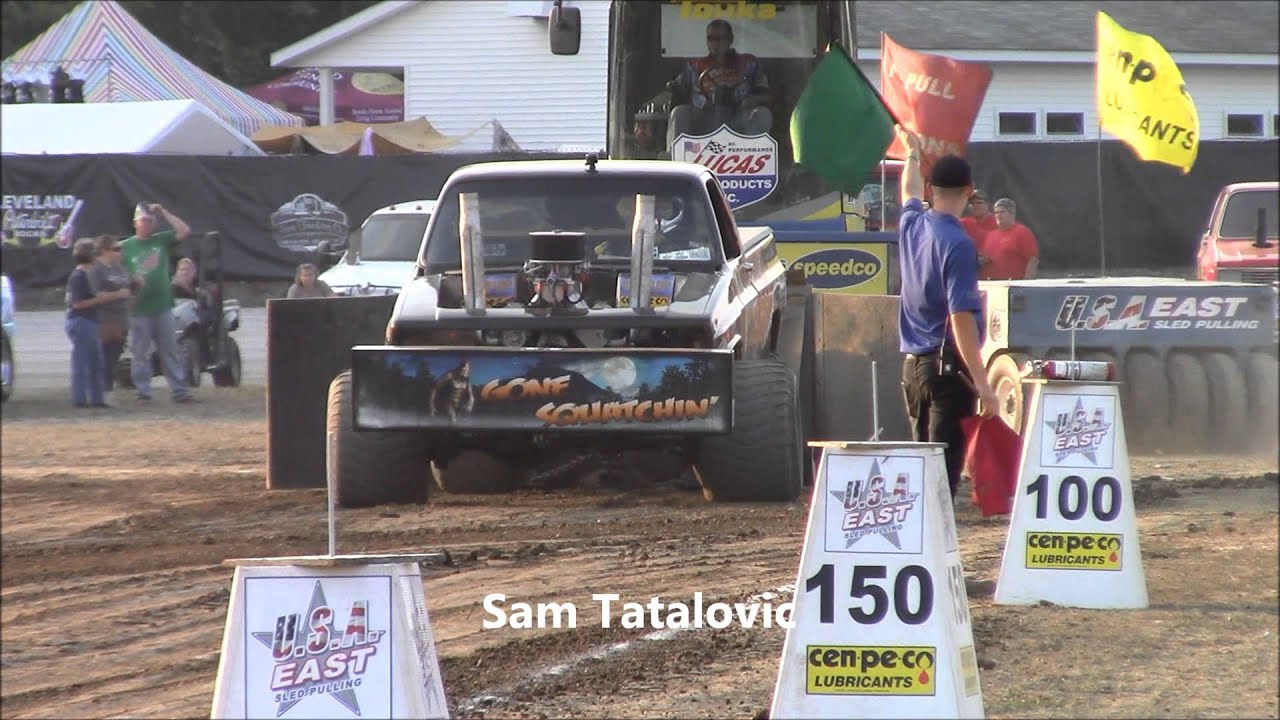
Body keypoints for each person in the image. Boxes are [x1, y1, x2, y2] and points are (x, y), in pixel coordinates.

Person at [895, 126, 998, 504]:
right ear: (969, 193)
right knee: (941, 480)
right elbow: (961, 319)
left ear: (930, 191)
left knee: (922, 473)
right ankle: (935, 557)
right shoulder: (957, 244)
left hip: (913, 368)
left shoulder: (911, 223)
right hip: (947, 370)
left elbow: (907, 190)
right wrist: (984, 383)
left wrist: (911, 153)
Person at [119, 201, 197, 403]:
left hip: (162, 305)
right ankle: (143, 391)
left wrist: (163, 212)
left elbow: (184, 230)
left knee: (169, 350)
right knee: (140, 352)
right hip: (139, 308)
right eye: (143, 220)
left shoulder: (161, 241)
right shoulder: (125, 247)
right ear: (135, 223)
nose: (147, 224)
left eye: (150, 221)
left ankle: (179, 390)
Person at [665, 19, 773, 151]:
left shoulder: (748, 63)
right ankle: (674, 157)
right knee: (680, 112)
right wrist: (674, 88)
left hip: (737, 118)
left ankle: (754, 156)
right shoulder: (695, 65)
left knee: (763, 114)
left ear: (731, 39)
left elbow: (766, 94)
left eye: (721, 38)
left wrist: (749, 101)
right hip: (704, 119)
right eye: (711, 39)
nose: (716, 44)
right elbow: (676, 87)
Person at [66, 238, 130, 408]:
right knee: (82, 361)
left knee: (96, 361)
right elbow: (77, 303)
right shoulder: (79, 275)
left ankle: (97, 398)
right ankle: (80, 399)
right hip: (80, 320)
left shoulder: (89, 274)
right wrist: (99, 299)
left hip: (91, 320)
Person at [88, 234, 135, 394]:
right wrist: (117, 295)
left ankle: (106, 390)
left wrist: (136, 288)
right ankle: (100, 391)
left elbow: (129, 291)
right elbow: (95, 296)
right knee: (103, 358)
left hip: (121, 320)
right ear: (104, 250)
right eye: (116, 249)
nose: (120, 252)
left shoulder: (120, 269)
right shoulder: (96, 270)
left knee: (114, 358)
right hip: (104, 320)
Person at [980, 198, 1040, 280]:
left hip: (1013, 285)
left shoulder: (1022, 232)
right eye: (996, 212)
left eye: (1002, 212)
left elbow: (1033, 260)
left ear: (1012, 214)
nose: (998, 215)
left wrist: (1026, 284)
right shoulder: (991, 235)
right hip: (992, 285)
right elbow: (985, 258)